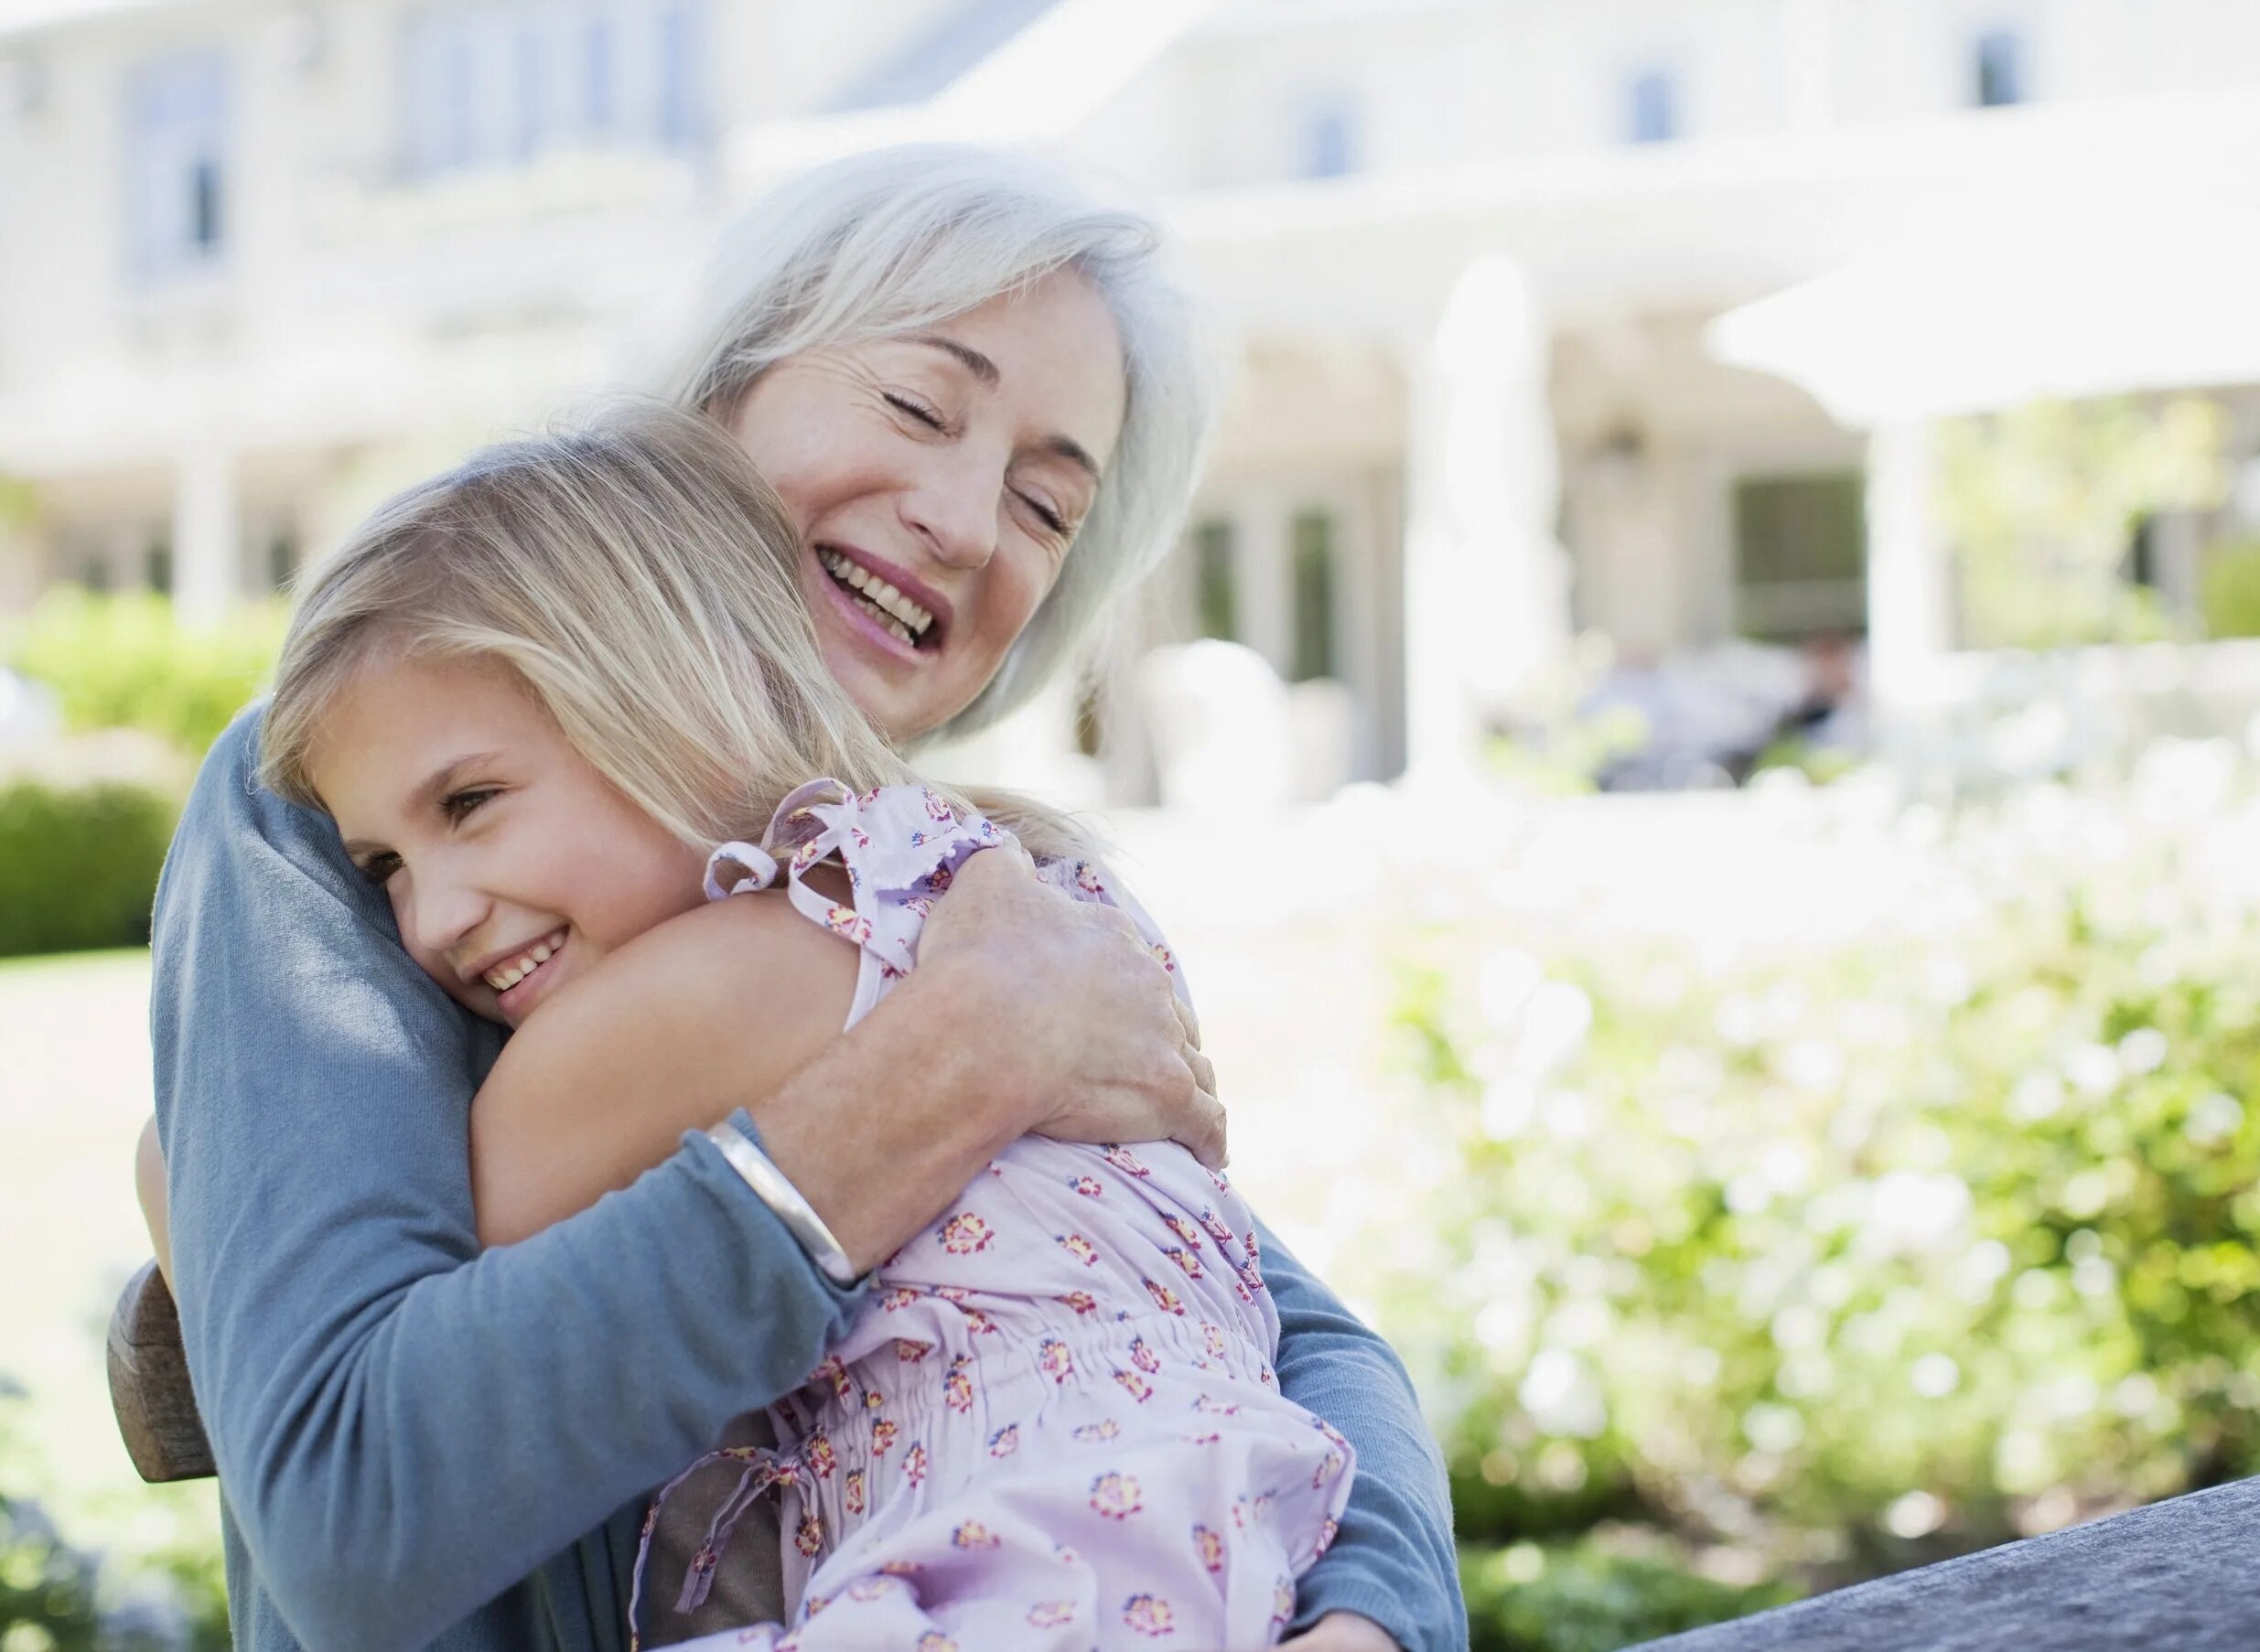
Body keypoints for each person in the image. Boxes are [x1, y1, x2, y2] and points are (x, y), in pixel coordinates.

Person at [141, 146, 1464, 1652]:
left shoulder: (977, 893)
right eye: (915, 404)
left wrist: (1373, 1618)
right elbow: (352, 1509)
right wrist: (943, 1071)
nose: (967, 522)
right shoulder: (363, 763)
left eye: (1045, 505)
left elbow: (1274, 1320)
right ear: (714, 398)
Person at [255, 402, 1358, 1648]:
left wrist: (181, 1165)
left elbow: (376, 1242)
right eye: (382, 865)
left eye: (471, 801)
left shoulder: (725, 982)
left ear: (671, 695)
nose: (432, 917)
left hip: (1016, 1572)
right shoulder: (982, 889)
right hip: (1188, 1543)